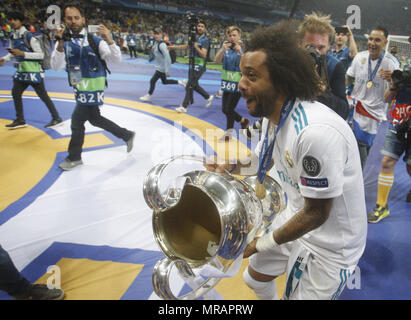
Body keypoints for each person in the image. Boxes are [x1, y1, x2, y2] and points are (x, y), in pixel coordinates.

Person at [205, 21, 367, 300]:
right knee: (253, 279)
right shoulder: (277, 116)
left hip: (330, 246)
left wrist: (260, 243)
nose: (241, 85)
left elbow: (317, 213)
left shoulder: (315, 133)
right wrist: (229, 168)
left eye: (252, 76)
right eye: (243, 74)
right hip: (297, 220)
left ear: (280, 81)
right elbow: (260, 162)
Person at [51, 2, 135, 171]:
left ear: (83, 19)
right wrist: (60, 43)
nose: (73, 21)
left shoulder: (95, 40)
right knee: (95, 119)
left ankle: (74, 157)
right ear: (65, 20)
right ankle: (126, 134)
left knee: (76, 122)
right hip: (79, 88)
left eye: (77, 17)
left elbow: (116, 59)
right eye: (69, 18)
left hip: (93, 89)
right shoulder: (63, 41)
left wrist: (109, 39)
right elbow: (55, 66)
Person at [346, 26, 398, 169]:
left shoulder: (391, 64)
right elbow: (349, 77)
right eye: (370, 39)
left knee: (365, 149)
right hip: (356, 111)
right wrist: (348, 92)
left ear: (385, 42)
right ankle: (356, 184)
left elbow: (388, 98)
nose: (372, 43)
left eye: (377, 40)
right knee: (358, 153)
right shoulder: (360, 57)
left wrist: (393, 82)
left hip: (375, 115)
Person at [0, 11, 62, 129]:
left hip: (34, 72)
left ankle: (56, 118)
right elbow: (13, 53)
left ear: (21, 21)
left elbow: (40, 55)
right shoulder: (13, 36)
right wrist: (4, 59)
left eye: (15, 19)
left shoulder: (29, 36)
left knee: (43, 95)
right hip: (22, 72)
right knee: (15, 93)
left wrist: (23, 53)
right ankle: (20, 119)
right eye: (10, 20)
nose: (12, 22)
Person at [367, 74, 411, 223]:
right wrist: (394, 85)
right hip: (397, 125)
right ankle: (381, 205)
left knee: (410, 168)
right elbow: (386, 99)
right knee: (387, 161)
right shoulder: (404, 76)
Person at [297, 12, 350, 121]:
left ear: (329, 46)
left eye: (321, 47)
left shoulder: (335, 67)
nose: (315, 52)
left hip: (319, 123)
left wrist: (321, 89)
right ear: (300, 44)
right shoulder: (289, 63)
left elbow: (343, 111)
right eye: (310, 47)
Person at [169, 20, 214, 113]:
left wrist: (196, 47)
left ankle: (184, 106)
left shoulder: (205, 40)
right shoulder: (194, 38)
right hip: (193, 64)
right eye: (198, 26)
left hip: (200, 65)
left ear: (205, 29)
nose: (200, 28)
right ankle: (208, 96)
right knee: (193, 85)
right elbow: (186, 46)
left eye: (202, 26)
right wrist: (173, 47)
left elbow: (204, 55)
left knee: (189, 85)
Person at [213, 26, 249, 141]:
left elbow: (247, 66)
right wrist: (222, 50)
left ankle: (228, 134)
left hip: (238, 84)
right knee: (225, 110)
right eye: (230, 35)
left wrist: (240, 52)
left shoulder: (244, 48)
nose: (232, 38)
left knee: (228, 109)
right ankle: (242, 120)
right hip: (227, 83)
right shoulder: (225, 47)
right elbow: (216, 61)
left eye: (234, 35)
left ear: (239, 36)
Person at [139, 27, 185, 102]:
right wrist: (151, 57)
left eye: (158, 34)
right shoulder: (155, 43)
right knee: (164, 82)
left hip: (162, 68)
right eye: (155, 34)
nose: (156, 36)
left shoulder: (162, 44)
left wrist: (167, 71)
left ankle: (148, 95)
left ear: (161, 35)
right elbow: (155, 52)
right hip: (159, 66)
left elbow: (168, 58)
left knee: (152, 81)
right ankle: (180, 82)